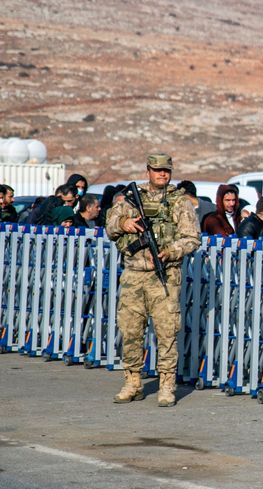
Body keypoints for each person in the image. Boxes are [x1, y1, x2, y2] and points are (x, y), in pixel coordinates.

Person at [106, 153, 200, 407]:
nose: (162, 174)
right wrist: (124, 223)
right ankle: (132, 382)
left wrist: (172, 251)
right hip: (134, 275)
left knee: (167, 332)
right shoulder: (129, 199)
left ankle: (167, 385)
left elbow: (192, 238)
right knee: (130, 330)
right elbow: (110, 226)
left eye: (166, 170)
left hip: (165, 276)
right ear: (147, 170)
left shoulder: (179, 202)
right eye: (157, 170)